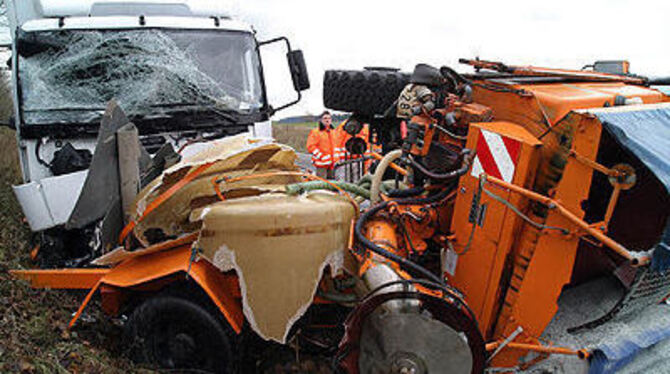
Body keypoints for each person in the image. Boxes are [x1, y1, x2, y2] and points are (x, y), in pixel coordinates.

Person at [306, 111, 336, 179]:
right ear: (321, 120)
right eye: (325, 118)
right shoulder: (316, 132)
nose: (327, 120)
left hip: (332, 163)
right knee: (322, 184)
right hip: (321, 164)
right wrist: (322, 157)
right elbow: (311, 147)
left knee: (332, 184)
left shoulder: (333, 132)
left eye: (329, 118)